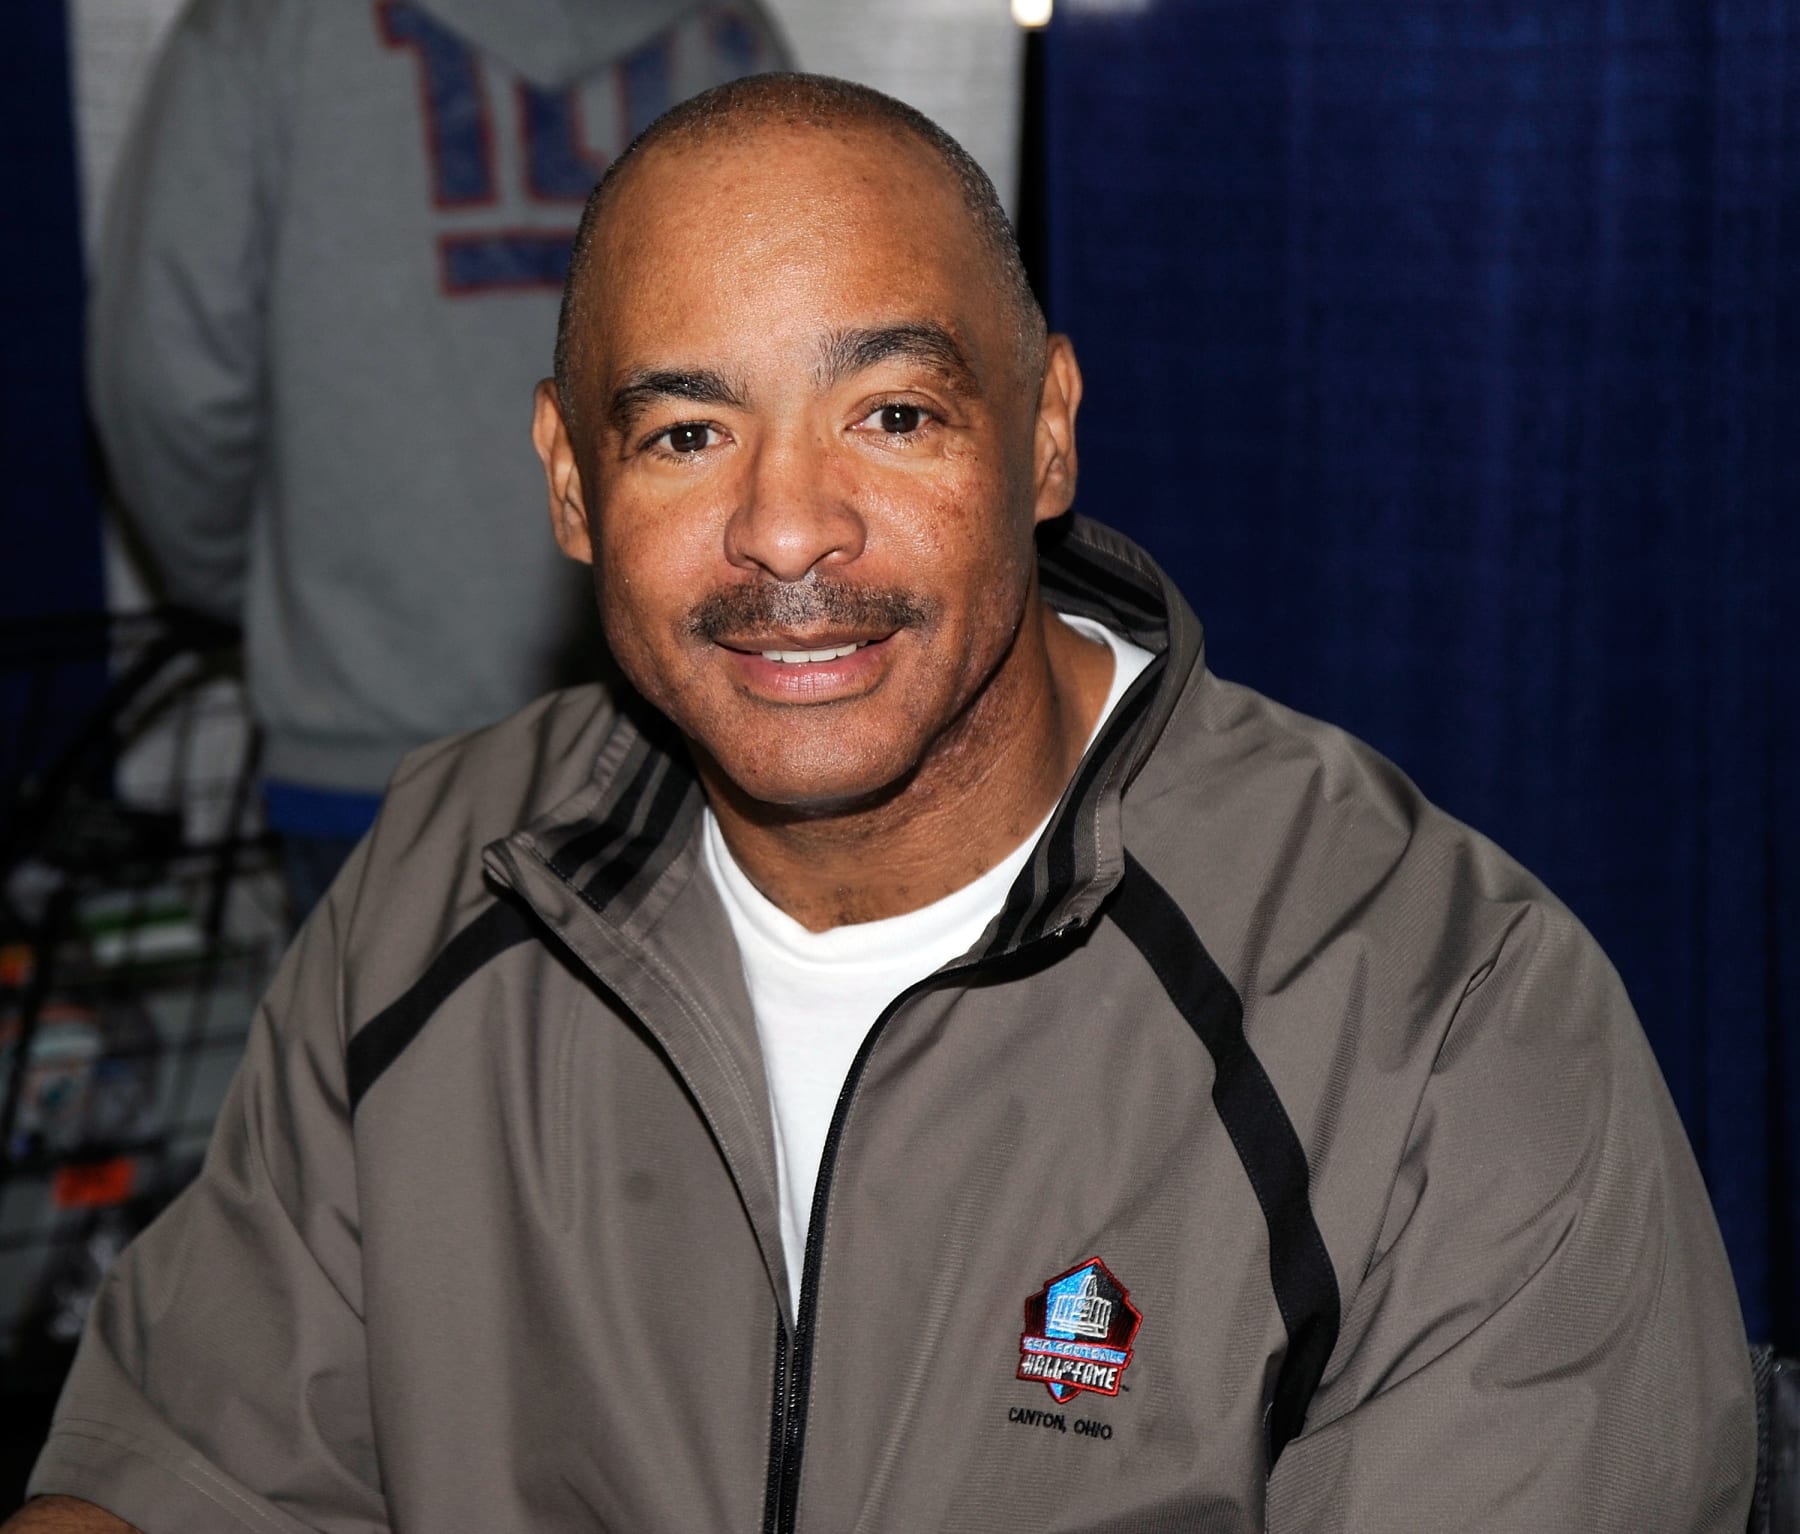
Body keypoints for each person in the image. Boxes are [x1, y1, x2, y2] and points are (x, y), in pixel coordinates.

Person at [16, 74, 1755, 1533]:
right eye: (685, 433)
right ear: (567, 479)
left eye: (896, 411)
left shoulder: (1446, 1026)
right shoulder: (435, 887)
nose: (788, 529)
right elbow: (177, 1470)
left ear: (1048, 437)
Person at [89, 0, 783, 922]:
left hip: (369, 725)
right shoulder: (729, 27)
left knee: (376, 1063)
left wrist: (255, 599)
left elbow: (166, 378)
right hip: (687, 729)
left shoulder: (260, 24)